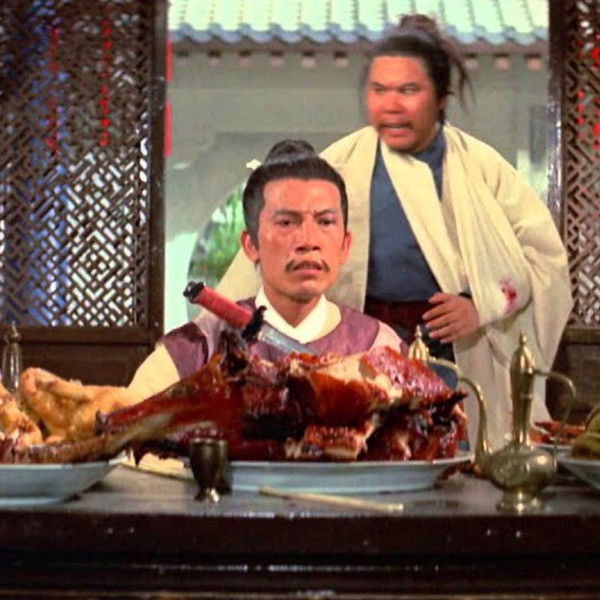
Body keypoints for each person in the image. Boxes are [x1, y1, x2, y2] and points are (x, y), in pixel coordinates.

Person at [217, 15, 573, 450]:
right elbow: (274, 248)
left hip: (454, 350)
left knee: (450, 455)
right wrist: (213, 327)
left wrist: (481, 305)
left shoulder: (482, 168)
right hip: (361, 350)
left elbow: (543, 259)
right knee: (366, 452)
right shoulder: (343, 162)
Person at [129, 140, 403, 400]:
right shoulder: (196, 349)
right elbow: (126, 421)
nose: (308, 241)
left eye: (325, 222)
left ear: (345, 245)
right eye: (286, 223)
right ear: (251, 245)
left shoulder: (378, 346)